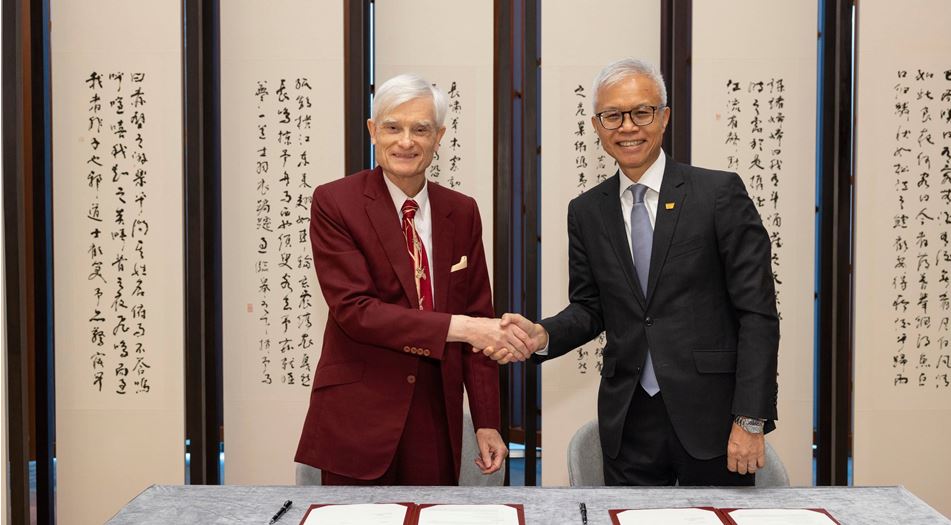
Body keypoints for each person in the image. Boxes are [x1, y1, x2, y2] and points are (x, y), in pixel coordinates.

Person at [489, 58, 779, 486]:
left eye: (641, 112)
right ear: (597, 125)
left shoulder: (718, 194)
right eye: (612, 116)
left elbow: (757, 313)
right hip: (629, 423)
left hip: (713, 420)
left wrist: (751, 419)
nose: (627, 126)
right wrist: (543, 335)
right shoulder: (587, 211)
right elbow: (590, 308)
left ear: (664, 117)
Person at [296, 73, 532, 485]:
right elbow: (356, 311)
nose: (405, 141)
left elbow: (479, 315)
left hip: (435, 416)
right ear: (373, 131)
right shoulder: (336, 202)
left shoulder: (461, 212)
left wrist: (487, 421)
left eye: (420, 129)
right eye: (393, 127)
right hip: (358, 416)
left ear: (438, 137)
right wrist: (462, 327)